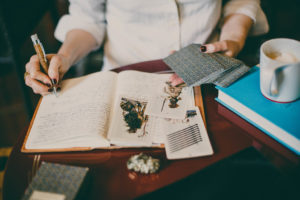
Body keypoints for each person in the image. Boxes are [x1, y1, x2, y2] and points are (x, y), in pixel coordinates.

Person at [24, 0, 268, 95]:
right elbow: (88, 20)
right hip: (126, 77)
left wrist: (234, 39)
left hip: (210, 73)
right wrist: (64, 57)